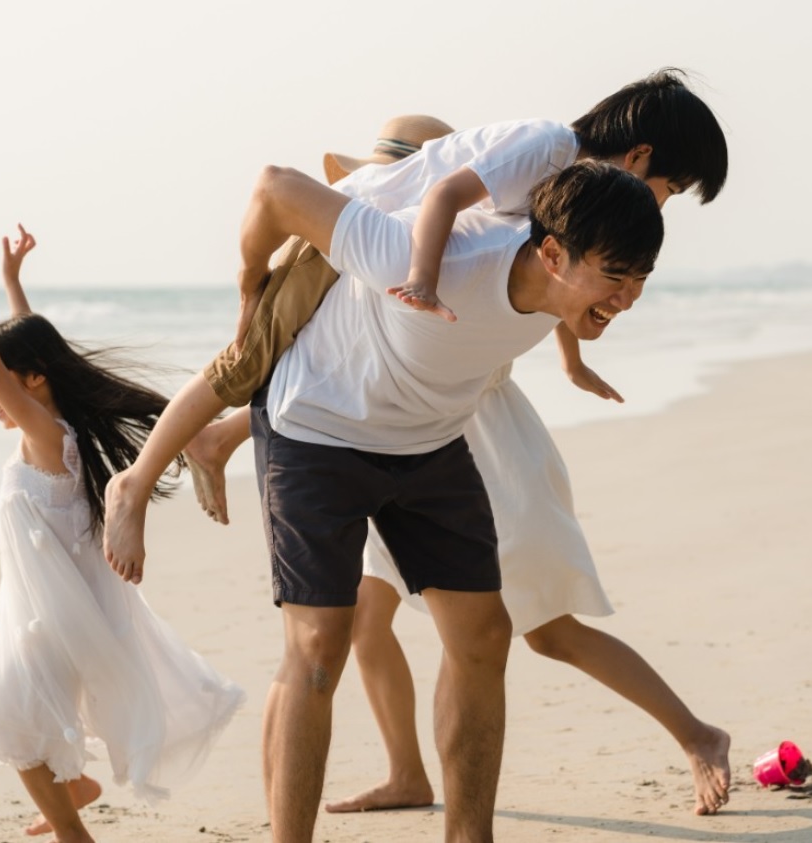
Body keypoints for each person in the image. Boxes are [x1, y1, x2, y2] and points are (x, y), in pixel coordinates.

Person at [136, 160, 664, 842]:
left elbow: (556, 287)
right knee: (320, 644)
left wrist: (575, 358)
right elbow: (274, 187)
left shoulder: (561, 286)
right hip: (317, 427)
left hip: (429, 442)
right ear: (553, 254)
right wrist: (249, 282)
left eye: (640, 281)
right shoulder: (438, 258)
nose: (626, 297)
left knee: (483, 635)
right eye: (615, 278)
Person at [101, 68, 728, 572]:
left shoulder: (577, 195)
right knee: (245, 362)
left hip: (390, 263)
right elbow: (444, 197)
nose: (661, 206)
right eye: (668, 189)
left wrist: (573, 359)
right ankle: (135, 482)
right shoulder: (547, 149)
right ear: (640, 154)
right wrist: (422, 279)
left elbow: (559, 277)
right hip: (345, 238)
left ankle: (219, 440)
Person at [0, 224, 245, 843]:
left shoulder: (46, 438)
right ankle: (75, 794)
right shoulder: (55, 427)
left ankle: (72, 833)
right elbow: (17, 357)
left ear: (31, 381)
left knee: (4, 719)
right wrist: (12, 284)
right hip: (33, 612)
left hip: (51, 619)